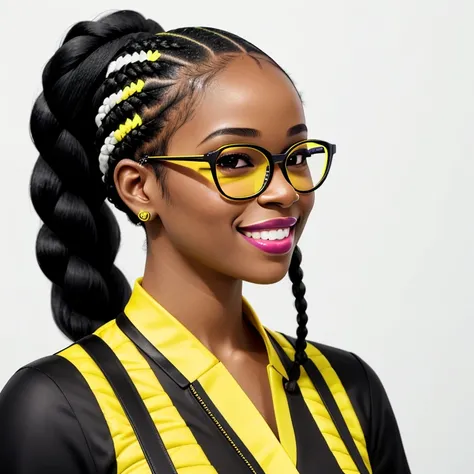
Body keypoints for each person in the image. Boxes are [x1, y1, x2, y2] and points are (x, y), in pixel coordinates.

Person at [0, 9, 411, 474]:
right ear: (139, 186)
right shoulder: (56, 410)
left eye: (296, 156)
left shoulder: (350, 390)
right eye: (235, 161)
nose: (285, 190)